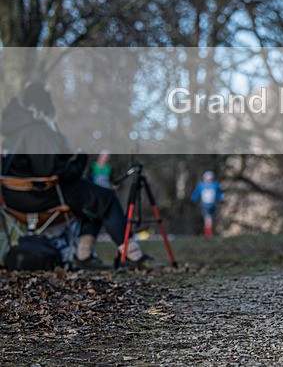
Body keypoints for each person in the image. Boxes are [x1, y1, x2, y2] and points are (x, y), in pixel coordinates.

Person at [0, 81, 155, 270]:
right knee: (106, 199)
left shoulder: (13, 132)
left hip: (15, 199)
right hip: (44, 196)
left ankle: (84, 255)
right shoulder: (37, 131)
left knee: (93, 203)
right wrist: (80, 160)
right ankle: (132, 254)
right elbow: (51, 170)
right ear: (42, 106)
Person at [190, 171, 224, 238]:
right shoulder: (203, 185)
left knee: (209, 218)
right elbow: (196, 193)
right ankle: (208, 232)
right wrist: (193, 199)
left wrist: (193, 199)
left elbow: (219, 193)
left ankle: (208, 232)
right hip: (205, 205)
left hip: (212, 205)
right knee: (208, 218)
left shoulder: (213, 185)